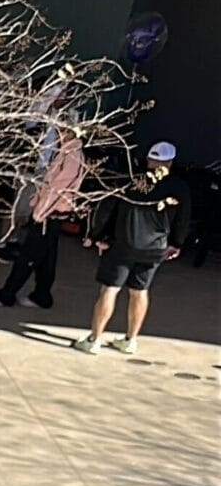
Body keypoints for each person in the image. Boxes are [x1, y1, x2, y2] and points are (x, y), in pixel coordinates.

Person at [76, 143, 190, 356]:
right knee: (140, 291)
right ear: (170, 162)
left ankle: (94, 340)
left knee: (110, 289)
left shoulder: (130, 180)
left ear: (148, 159)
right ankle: (130, 340)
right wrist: (177, 243)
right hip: (155, 247)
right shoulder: (178, 187)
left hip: (123, 244)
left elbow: (106, 209)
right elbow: (183, 219)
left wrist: (97, 236)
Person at [0, 130, 83, 311]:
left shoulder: (71, 156)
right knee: (46, 258)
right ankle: (42, 295)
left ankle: (7, 294)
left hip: (50, 212)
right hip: (51, 211)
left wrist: (40, 212)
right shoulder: (64, 152)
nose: (58, 135)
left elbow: (57, 189)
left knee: (28, 255)